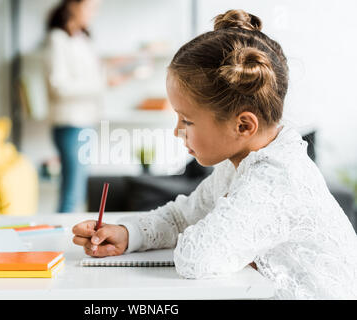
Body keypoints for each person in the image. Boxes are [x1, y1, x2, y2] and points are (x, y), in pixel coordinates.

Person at [71, 9, 357, 299]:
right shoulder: (241, 164)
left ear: (243, 125)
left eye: (187, 120)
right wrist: (129, 234)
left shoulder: (276, 178)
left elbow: (197, 258)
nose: (177, 131)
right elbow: (184, 216)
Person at [45, 0, 103, 213]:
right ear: (72, 6)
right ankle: (61, 242)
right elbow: (58, 86)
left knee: (78, 192)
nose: (93, 13)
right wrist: (100, 83)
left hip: (87, 121)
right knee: (71, 193)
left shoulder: (83, 39)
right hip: (70, 124)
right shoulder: (57, 39)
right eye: (89, 7)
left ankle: (70, 237)